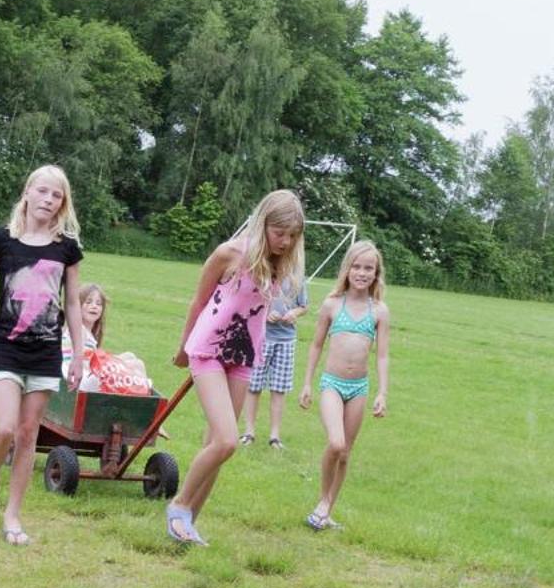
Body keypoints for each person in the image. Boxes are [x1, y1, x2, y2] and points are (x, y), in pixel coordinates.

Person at [165, 189, 306, 545]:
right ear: (263, 225)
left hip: (243, 357)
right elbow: (198, 301)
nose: (286, 242)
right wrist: (183, 349)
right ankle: (178, 506)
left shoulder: (280, 265)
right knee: (227, 440)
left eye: (292, 236)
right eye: (280, 233)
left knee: (215, 444)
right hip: (208, 350)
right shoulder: (229, 253)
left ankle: (189, 525)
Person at [0, 165, 86, 546]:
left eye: (57, 196)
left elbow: (74, 305)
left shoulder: (67, 247)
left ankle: (13, 516)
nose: (48, 200)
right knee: (4, 428)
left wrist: (79, 354)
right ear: (28, 192)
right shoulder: (2, 240)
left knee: (28, 433)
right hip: (7, 348)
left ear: (62, 203)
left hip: (46, 352)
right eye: (43, 192)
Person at [296, 240, 390, 531]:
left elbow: (383, 355)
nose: (362, 273)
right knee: (335, 444)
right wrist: (307, 384)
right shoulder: (332, 304)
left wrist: (382, 392)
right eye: (357, 267)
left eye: (369, 268)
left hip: (358, 388)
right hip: (332, 385)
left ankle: (326, 513)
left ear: (376, 273)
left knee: (346, 453)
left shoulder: (380, 311)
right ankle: (323, 500)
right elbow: (315, 345)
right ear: (347, 269)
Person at [238, 272, 308, 447]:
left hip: (286, 340)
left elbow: (303, 306)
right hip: (261, 338)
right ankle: (248, 432)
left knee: (279, 389)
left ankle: (274, 436)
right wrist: (266, 312)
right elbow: (248, 301)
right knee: (254, 386)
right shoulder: (263, 274)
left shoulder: (297, 277)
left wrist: (294, 313)